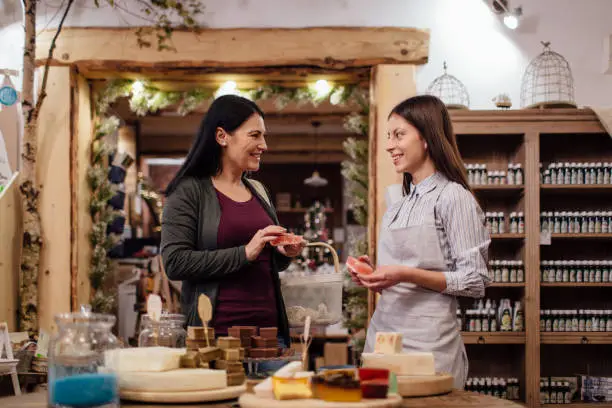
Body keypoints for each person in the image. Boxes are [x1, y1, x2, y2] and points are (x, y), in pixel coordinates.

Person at [350, 95, 490, 388]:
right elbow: (404, 268)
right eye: (389, 136)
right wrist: (376, 272)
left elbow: (475, 281)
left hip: (429, 344)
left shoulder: (453, 197)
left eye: (399, 135)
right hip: (384, 336)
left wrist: (404, 274)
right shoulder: (398, 203)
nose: (390, 145)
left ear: (426, 138)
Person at [161, 95, 306, 349]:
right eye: (254, 135)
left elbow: (266, 263)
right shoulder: (188, 191)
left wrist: (282, 253)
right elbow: (175, 262)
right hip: (216, 340)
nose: (264, 145)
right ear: (222, 136)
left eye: (264, 136)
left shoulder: (259, 190)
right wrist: (244, 253)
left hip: (271, 337)